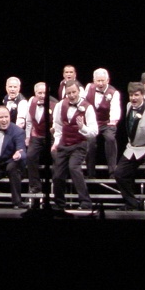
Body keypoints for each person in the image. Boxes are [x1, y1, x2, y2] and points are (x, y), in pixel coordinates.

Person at [114, 82, 145, 211]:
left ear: (143, 95)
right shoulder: (129, 105)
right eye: (131, 95)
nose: (133, 98)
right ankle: (132, 203)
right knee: (119, 173)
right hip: (133, 147)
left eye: (136, 95)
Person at [51, 80, 98, 212]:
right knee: (57, 175)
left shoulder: (87, 107)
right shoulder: (60, 105)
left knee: (74, 168)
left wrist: (82, 127)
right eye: (69, 93)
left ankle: (85, 202)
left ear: (79, 91)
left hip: (79, 144)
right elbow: (58, 125)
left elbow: (94, 131)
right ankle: (59, 204)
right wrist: (56, 142)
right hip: (64, 144)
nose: (71, 95)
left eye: (74, 92)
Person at [0, 105, 27, 209]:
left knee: (12, 168)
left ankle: (17, 202)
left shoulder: (18, 131)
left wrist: (19, 154)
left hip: (12, 162)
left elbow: (22, 150)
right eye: (1, 117)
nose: (4, 120)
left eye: (6, 117)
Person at [83, 68, 121, 178]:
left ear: (108, 80)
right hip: (92, 122)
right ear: (94, 80)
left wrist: (113, 120)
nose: (100, 83)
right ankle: (90, 173)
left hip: (106, 122)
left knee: (110, 139)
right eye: (98, 81)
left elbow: (115, 109)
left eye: (102, 81)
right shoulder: (88, 87)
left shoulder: (113, 92)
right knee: (90, 142)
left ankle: (112, 172)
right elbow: (83, 102)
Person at [24, 82, 57, 206]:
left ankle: (56, 186)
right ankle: (35, 187)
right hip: (37, 136)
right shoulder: (31, 102)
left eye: (45, 93)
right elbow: (29, 121)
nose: (42, 95)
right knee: (30, 156)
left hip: (51, 136)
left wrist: (56, 140)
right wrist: (28, 137)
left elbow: (58, 124)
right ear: (35, 93)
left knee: (57, 157)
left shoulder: (55, 104)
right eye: (40, 93)